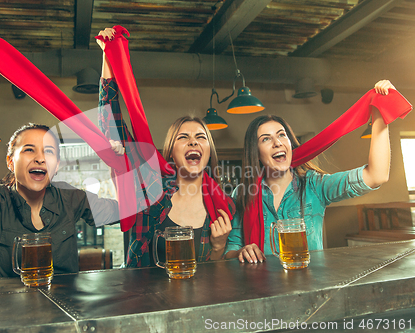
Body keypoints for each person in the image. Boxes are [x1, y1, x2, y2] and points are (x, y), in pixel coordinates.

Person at [0, 30, 124, 278]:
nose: (40, 158)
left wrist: (120, 163)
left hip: (67, 312)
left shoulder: (72, 200)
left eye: (49, 151)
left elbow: (125, 211)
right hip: (8, 314)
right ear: (10, 161)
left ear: (56, 166)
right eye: (28, 150)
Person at [97, 27, 235, 267]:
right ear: (171, 152)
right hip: (143, 301)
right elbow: (111, 125)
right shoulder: (150, 189)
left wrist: (219, 247)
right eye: (184, 137)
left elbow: (218, 277)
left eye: (201, 137)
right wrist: (110, 55)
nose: (193, 141)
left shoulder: (224, 205)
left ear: (209, 151)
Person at [224, 80, 395, 263]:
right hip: (263, 289)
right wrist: (242, 251)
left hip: (310, 285)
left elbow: (376, 175)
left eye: (282, 135)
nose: (277, 142)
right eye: (266, 139)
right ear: (256, 153)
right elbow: (230, 250)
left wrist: (379, 111)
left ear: (290, 143)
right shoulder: (242, 193)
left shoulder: (315, 185)